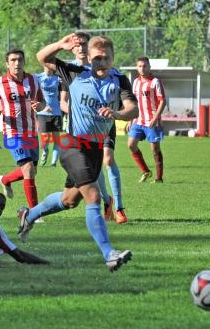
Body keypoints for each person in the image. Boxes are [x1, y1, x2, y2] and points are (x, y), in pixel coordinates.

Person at [17, 35, 138, 272]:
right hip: (72, 144)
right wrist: (61, 46)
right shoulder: (74, 73)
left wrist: (118, 115)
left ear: (113, 58)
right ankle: (109, 254)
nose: (101, 63)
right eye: (97, 58)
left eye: (106, 58)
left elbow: (132, 109)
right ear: (89, 58)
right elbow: (41, 57)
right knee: (93, 196)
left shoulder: (120, 80)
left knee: (69, 200)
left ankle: (28, 215)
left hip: (94, 148)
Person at [55, 32, 127, 223]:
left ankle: (119, 207)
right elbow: (63, 102)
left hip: (106, 124)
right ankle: (106, 201)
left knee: (108, 159)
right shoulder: (72, 72)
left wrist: (121, 114)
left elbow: (126, 104)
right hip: (80, 127)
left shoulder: (113, 73)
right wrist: (79, 110)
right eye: (77, 45)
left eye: (84, 44)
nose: (80, 47)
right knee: (82, 184)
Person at [0, 49, 45, 210]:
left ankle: (5, 180)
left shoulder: (34, 80)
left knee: (31, 171)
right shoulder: (0, 83)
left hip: (31, 132)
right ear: (7, 63)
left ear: (24, 62)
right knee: (28, 169)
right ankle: (35, 213)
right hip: (12, 133)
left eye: (19, 60)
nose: (16, 63)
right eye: (13, 60)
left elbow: (42, 102)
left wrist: (40, 106)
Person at [127, 56, 166, 183]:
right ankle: (146, 171)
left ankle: (159, 178)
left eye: (144, 66)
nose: (142, 68)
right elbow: (134, 102)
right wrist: (129, 119)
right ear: (136, 68)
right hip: (138, 120)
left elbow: (162, 101)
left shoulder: (155, 82)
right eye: (139, 66)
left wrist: (155, 118)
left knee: (155, 150)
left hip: (151, 121)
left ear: (149, 67)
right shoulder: (136, 82)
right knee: (131, 145)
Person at [36, 66, 63, 167]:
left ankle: (53, 162)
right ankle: (45, 151)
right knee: (45, 139)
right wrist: (42, 106)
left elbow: (64, 92)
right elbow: (33, 94)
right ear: (43, 65)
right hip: (42, 113)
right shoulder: (38, 78)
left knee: (56, 139)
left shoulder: (58, 78)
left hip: (56, 113)